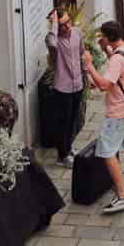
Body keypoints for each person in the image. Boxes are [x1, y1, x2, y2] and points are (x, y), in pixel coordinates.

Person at [85, 21, 124, 212]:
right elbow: (121, 71)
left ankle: (122, 196)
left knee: (108, 152)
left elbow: (103, 85)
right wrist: (106, 50)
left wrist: (89, 65)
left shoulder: (117, 59)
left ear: (108, 37)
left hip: (118, 111)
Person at [43, 9, 86, 164]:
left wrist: (85, 74)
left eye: (68, 21)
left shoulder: (77, 33)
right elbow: (51, 43)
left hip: (78, 83)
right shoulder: (54, 40)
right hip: (62, 86)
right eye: (63, 24)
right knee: (64, 121)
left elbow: (82, 53)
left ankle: (68, 147)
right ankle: (62, 156)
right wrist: (54, 24)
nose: (67, 26)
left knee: (73, 119)